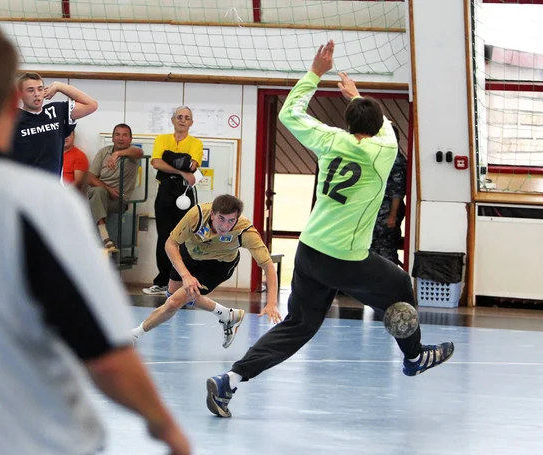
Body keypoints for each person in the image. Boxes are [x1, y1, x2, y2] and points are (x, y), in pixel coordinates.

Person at [0, 23, 190, 455]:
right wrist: (163, 424)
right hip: (36, 448)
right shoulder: (40, 206)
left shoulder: (55, 123)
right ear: (7, 102)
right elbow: (104, 352)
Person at [206, 40, 454, 418]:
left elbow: (290, 113)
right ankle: (415, 356)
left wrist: (315, 73)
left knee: (300, 325)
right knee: (402, 286)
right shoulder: (381, 151)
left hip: (309, 251)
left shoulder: (329, 140)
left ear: (348, 123)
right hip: (345, 257)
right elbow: (387, 128)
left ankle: (231, 379)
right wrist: (358, 94)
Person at [132, 194, 281, 348]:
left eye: (231, 220)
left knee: (173, 302)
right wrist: (186, 275)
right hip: (189, 254)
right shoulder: (197, 215)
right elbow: (171, 244)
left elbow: (268, 266)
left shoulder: (245, 232)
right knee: (173, 297)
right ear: (212, 214)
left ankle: (133, 334)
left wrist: (272, 303)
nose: (225, 225)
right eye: (221, 219)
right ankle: (227, 314)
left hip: (218, 265)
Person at [144, 106, 203, 295]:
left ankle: (183, 281)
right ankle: (162, 282)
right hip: (165, 191)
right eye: (179, 117)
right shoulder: (161, 139)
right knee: (164, 237)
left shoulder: (196, 143)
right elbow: (156, 163)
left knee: (185, 238)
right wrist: (181, 169)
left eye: (187, 118)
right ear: (173, 120)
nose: (183, 120)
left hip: (185, 192)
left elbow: (192, 165)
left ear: (191, 123)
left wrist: (168, 158)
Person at [10, 71, 98, 176]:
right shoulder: (13, 118)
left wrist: (59, 86)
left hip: (52, 184)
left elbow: (91, 105)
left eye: (40, 89)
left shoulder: (56, 111)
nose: (36, 94)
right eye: (30, 90)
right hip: (24, 184)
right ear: (20, 94)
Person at [88, 123, 143, 249]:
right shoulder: (103, 152)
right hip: (100, 195)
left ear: (130, 139)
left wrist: (117, 154)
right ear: (112, 138)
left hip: (118, 201)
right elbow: (90, 177)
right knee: (97, 192)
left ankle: (101, 239)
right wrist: (108, 189)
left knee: (96, 194)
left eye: (125, 135)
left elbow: (139, 152)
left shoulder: (132, 153)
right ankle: (105, 238)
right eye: (117, 134)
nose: (121, 138)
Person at [370, 125, 407, 265]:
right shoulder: (384, 158)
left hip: (386, 213)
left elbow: (397, 191)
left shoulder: (395, 161)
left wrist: (392, 216)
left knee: (386, 252)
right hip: (379, 212)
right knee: (373, 250)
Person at [62, 128, 89, 194]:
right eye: (63, 134)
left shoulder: (79, 155)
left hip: (69, 195)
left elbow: (78, 182)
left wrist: (62, 193)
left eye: (68, 134)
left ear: (74, 136)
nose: (65, 137)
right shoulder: (52, 154)